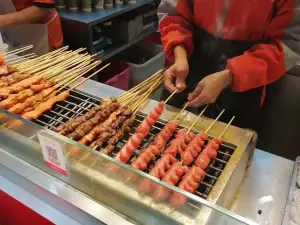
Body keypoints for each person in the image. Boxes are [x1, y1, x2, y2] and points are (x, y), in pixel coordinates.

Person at [158, 0, 300, 129]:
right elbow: (173, 13)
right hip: (188, 64)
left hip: (246, 78)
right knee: (162, 135)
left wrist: (230, 75)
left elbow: (286, 44)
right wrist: (180, 55)